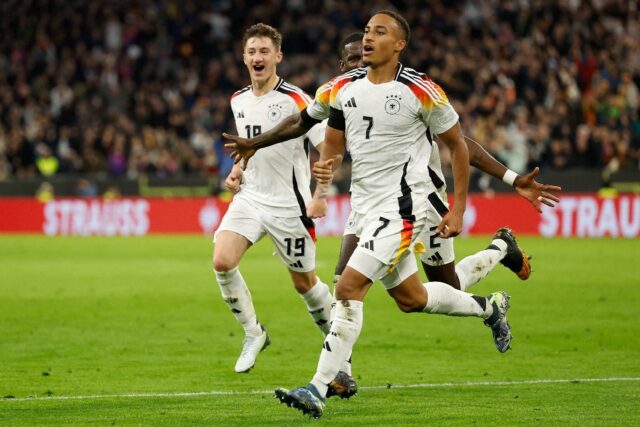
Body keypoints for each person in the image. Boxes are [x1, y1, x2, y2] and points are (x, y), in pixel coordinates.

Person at [269, 10, 518, 418]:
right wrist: (261, 147)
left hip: (406, 208)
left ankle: (318, 388)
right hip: (365, 208)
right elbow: (312, 131)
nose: (368, 38)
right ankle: (490, 307)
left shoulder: (420, 89)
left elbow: (458, 145)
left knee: (347, 288)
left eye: (378, 32)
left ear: (399, 44)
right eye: (366, 31)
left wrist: (459, 207)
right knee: (412, 298)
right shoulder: (342, 89)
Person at [212, 24, 336, 379]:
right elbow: (248, 146)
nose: (257, 57)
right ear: (243, 57)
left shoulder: (296, 99)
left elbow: (326, 145)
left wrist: (320, 192)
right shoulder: (238, 99)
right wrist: (238, 169)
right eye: (252, 51)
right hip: (251, 197)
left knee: (305, 284)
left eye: (264, 51)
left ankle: (338, 350)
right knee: (222, 260)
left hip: (289, 206)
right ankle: (254, 333)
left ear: (278, 56)